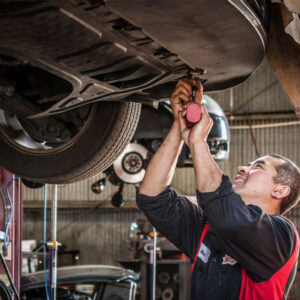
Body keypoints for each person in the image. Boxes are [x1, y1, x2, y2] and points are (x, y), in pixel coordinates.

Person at [136, 79, 300, 300]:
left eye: (258, 166)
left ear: (280, 191)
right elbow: (153, 198)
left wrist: (199, 143)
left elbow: (227, 213)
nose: (243, 167)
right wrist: (178, 126)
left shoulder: (282, 236)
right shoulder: (208, 230)